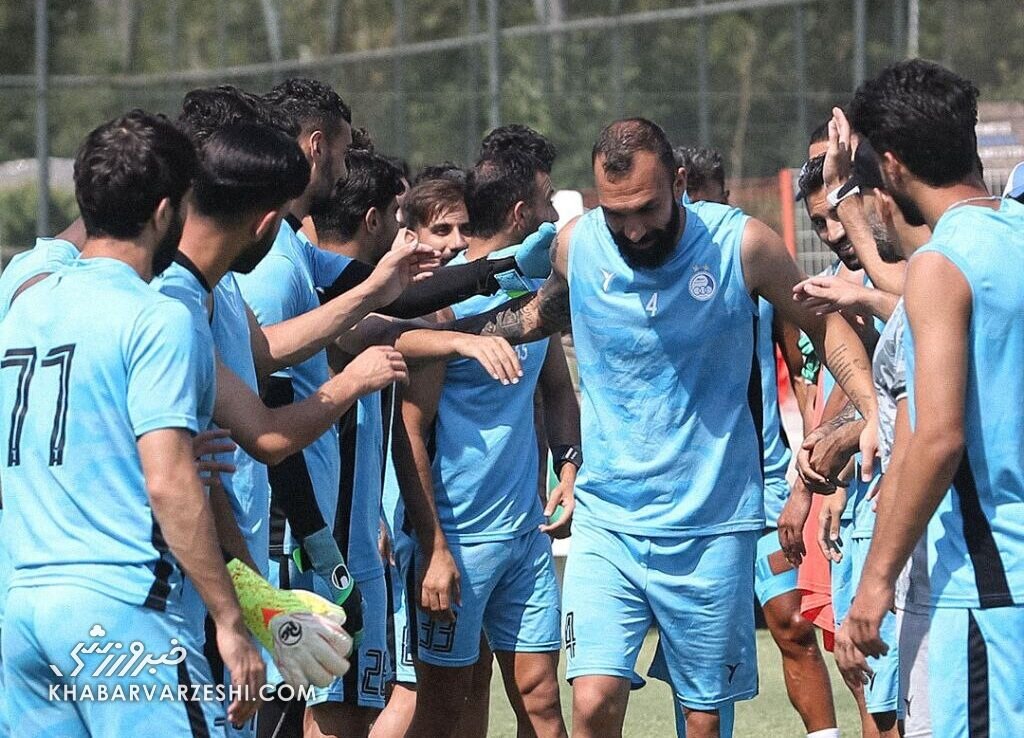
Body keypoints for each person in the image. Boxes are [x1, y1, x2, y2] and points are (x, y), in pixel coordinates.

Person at [446, 117, 878, 738]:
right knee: (592, 700)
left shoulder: (742, 245)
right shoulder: (577, 245)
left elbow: (826, 326)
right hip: (609, 523)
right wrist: (432, 333)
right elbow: (535, 315)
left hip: (711, 526)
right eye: (616, 213)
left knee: (702, 722)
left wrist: (870, 410)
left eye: (646, 209)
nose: (632, 229)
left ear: (677, 183)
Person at [0, 110, 264, 737]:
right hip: (124, 611)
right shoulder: (156, 316)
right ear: (166, 211)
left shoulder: (24, 304)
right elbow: (168, 484)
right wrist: (230, 620)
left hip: (23, 609)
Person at [839, 58, 1024, 738]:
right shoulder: (1015, 234)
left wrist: (874, 582)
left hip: (984, 587)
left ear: (891, 166)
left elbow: (936, 436)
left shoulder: (942, 266)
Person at [649, 147, 839, 738]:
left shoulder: (752, 265)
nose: (704, 217)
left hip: (766, 484)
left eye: (714, 202)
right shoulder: (654, 281)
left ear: (727, 199)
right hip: (692, 498)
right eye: (692, 204)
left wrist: (811, 462)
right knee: (698, 649)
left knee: (793, 623)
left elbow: (804, 369)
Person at [400, 148, 579, 738]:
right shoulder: (441, 304)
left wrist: (568, 470)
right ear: (521, 212)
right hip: (460, 541)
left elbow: (558, 390)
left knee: (543, 703)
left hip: (525, 536)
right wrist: (435, 548)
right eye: (548, 201)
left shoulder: (531, 290)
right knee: (443, 711)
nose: (555, 213)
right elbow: (410, 428)